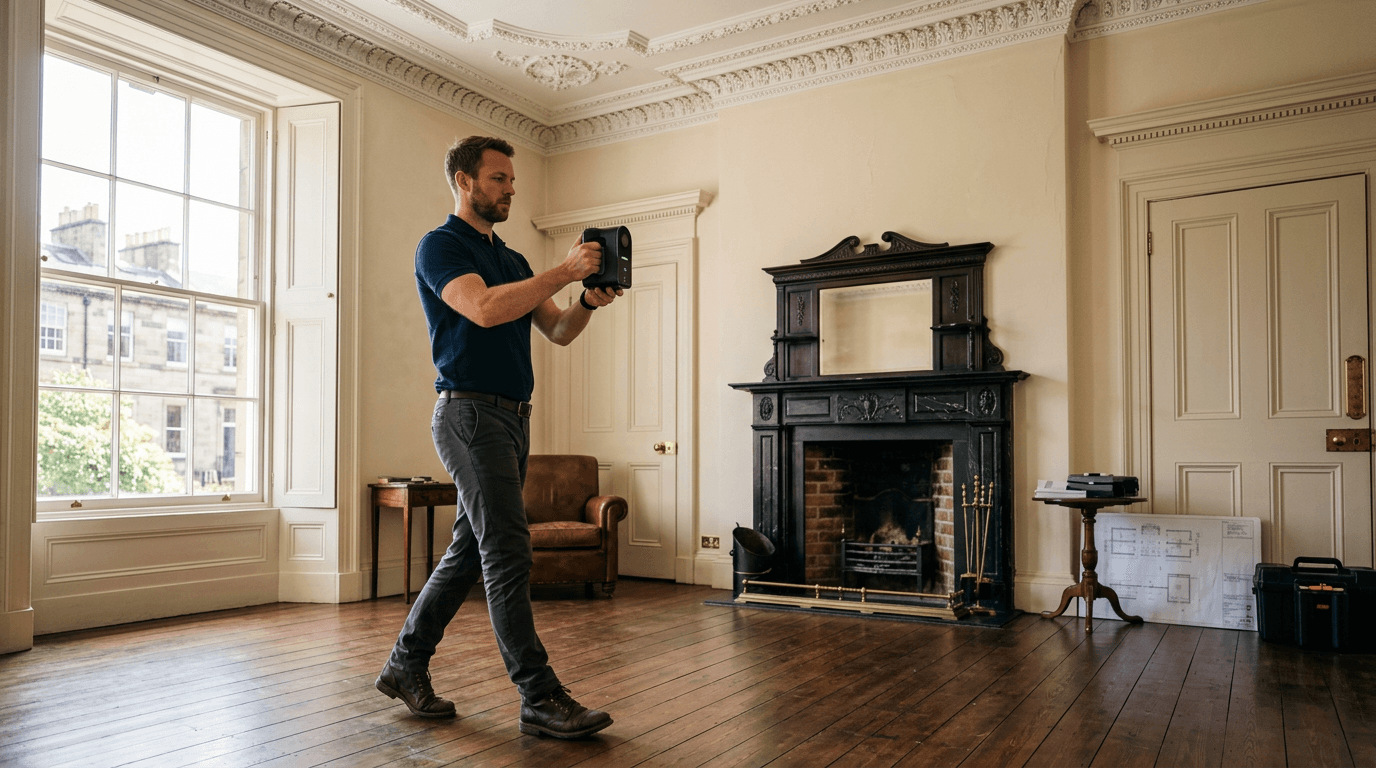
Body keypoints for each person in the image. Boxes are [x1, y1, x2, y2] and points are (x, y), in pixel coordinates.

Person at [375, 135, 621, 739]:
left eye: (512, 180)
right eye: (499, 179)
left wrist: (586, 299)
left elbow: (559, 330)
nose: (511, 188)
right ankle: (539, 696)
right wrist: (563, 269)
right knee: (508, 550)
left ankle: (405, 664)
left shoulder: (512, 260)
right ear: (464, 181)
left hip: (512, 418)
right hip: (468, 416)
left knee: (466, 553)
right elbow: (481, 309)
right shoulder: (439, 246)